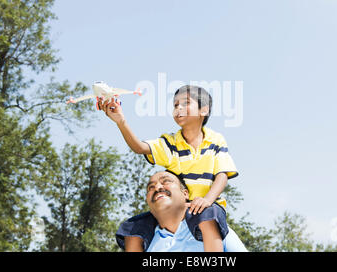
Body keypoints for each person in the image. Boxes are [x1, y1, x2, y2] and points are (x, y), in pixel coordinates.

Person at [99, 85, 241, 251]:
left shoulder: (215, 140)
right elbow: (139, 147)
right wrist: (121, 121)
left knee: (207, 214)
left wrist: (207, 199)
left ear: (203, 110)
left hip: (206, 205)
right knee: (133, 226)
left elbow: (222, 175)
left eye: (185, 103)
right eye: (175, 105)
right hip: (179, 208)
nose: (178, 108)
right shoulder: (170, 143)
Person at [116, 171, 247, 252]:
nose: (157, 187)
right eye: (151, 187)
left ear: (185, 193)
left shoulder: (214, 228)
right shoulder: (144, 243)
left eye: (166, 181)